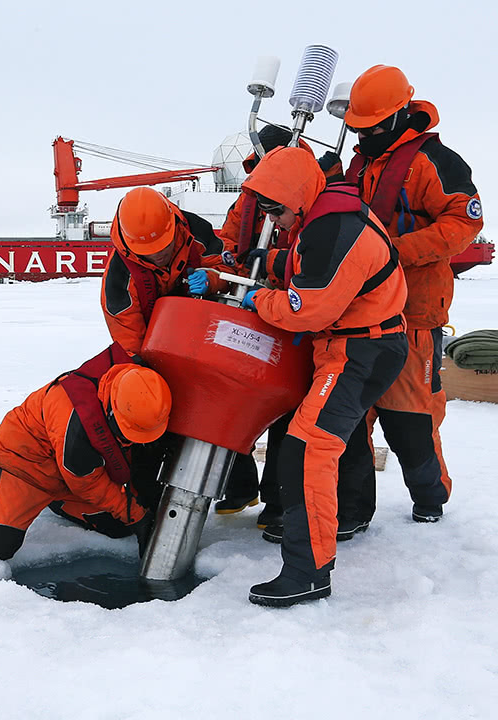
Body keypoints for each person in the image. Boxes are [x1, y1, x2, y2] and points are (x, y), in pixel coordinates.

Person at [237, 147, 408, 606]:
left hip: (359, 350)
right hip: (351, 345)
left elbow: (307, 308)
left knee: (308, 447)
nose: (274, 219)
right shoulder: (322, 217)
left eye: (275, 209)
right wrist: (260, 265)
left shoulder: (335, 227)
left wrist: (260, 300)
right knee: (333, 438)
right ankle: (347, 517)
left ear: (296, 196)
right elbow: (305, 265)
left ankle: (308, 573)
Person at [334, 64, 484, 532]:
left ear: (400, 114)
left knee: (412, 421)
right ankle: (352, 513)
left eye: (374, 126)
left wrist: (394, 253)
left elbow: (465, 224)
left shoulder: (437, 162)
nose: (366, 135)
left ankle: (430, 498)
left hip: (414, 316)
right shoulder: (357, 165)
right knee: (349, 423)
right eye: (358, 128)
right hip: (355, 316)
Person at [0, 346, 172, 561]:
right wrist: (137, 514)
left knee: (117, 526)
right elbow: (86, 481)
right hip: (27, 466)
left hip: (69, 474)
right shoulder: (75, 424)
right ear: (112, 410)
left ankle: (55, 502)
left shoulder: (140, 386)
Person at [214, 126, 347, 526]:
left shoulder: (315, 190)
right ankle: (239, 486)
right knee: (230, 395)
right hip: (254, 304)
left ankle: (276, 501)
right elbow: (230, 239)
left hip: (296, 312)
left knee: (288, 407)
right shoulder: (249, 197)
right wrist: (224, 272)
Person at [101, 186, 234, 359]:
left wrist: (211, 279)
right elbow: (131, 347)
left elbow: (229, 271)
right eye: (148, 250)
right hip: (156, 345)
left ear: (174, 227)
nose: (158, 254)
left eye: (163, 245)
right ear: (130, 245)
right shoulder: (118, 283)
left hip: (208, 336)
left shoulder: (197, 231)